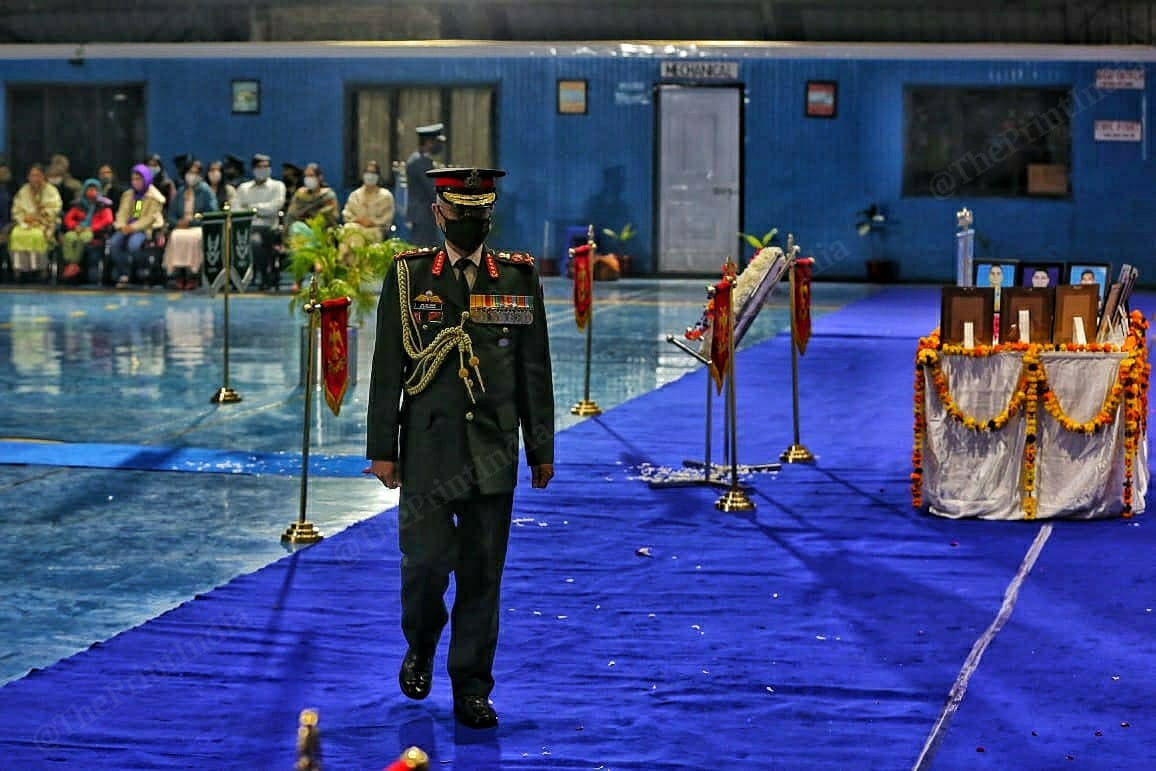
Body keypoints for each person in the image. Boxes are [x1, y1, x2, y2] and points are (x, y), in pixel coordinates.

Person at [366, 166, 555, 730]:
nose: (470, 224)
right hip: (427, 451)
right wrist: (383, 447)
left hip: (493, 453)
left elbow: (533, 371)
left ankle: (471, 686)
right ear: (438, 214)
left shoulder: (518, 279)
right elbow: (386, 371)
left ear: (489, 216)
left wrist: (540, 448)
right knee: (424, 565)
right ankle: (421, 643)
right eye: (460, 214)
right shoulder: (409, 277)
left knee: (482, 574)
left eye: (480, 215)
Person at [234, 154, 287, 290]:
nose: (263, 169)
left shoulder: (277, 186)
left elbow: (276, 206)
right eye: (260, 167)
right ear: (253, 169)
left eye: (266, 166)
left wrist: (252, 208)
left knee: (255, 241)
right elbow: (236, 209)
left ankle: (264, 275)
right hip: (246, 226)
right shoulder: (243, 188)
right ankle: (236, 277)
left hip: (269, 227)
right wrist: (261, 208)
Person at [163, 158, 217, 290]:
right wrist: (128, 225)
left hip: (196, 226)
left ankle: (192, 273)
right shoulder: (133, 196)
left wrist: (192, 221)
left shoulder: (151, 194)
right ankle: (178, 273)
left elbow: (143, 215)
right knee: (175, 236)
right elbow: (134, 214)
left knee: (192, 237)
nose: (136, 181)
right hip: (132, 229)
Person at [109, 163, 166, 288]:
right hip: (126, 228)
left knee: (134, 245)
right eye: (133, 179)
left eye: (139, 179)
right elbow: (122, 212)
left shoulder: (155, 197)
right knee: (113, 244)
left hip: (145, 229)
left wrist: (133, 228)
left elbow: (149, 218)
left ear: (146, 179)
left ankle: (141, 270)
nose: (136, 182)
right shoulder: (129, 195)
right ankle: (124, 272)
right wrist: (122, 226)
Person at [9, 163, 62, 281]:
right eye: (32, 175)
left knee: (37, 235)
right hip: (25, 223)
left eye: (37, 175)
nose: (35, 178)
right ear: (28, 177)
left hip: (45, 223)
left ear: (43, 176)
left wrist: (39, 217)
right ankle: (19, 271)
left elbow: (55, 208)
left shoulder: (51, 191)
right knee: (16, 234)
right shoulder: (23, 190)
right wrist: (25, 219)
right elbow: (16, 210)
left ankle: (40, 271)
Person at [60, 178, 114, 281]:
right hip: (126, 226)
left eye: (94, 189)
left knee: (126, 243)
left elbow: (109, 219)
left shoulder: (139, 199)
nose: (92, 192)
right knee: (68, 237)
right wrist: (76, 226)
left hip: (138, 228)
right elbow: (135, 215)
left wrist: (133, 226)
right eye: (89, 189)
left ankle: (124, 273)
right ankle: (71, 265)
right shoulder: (134, 197)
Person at [340, 160, 395, 257]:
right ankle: (354, 264)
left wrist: (372, 222)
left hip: (375, 230)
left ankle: (349, 263)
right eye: (368, 172)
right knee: (350, 230)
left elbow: (387, 218)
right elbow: (346, 214)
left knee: (355, 238)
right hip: (356, 226)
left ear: (378, 176)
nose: (370, 175)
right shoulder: (355, 195)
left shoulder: (385, 196)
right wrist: (358, 221)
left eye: (373, 173)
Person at [404, 123, 445, 246]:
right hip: (422, 215)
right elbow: (432, 188)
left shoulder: (421, 159)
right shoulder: (420, 162)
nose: (439, 146)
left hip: (423, 214)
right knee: (423, 250)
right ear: (428, 142)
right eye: (437, 142)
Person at [285, 162, 339, 237]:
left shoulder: (328, 195)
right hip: (300, 233)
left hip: (322, 233)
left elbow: (333, 218)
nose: (308, 179)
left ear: (320, 177)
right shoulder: (300, 195)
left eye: (311, 176)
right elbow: (291, 214)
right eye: (306, 176)